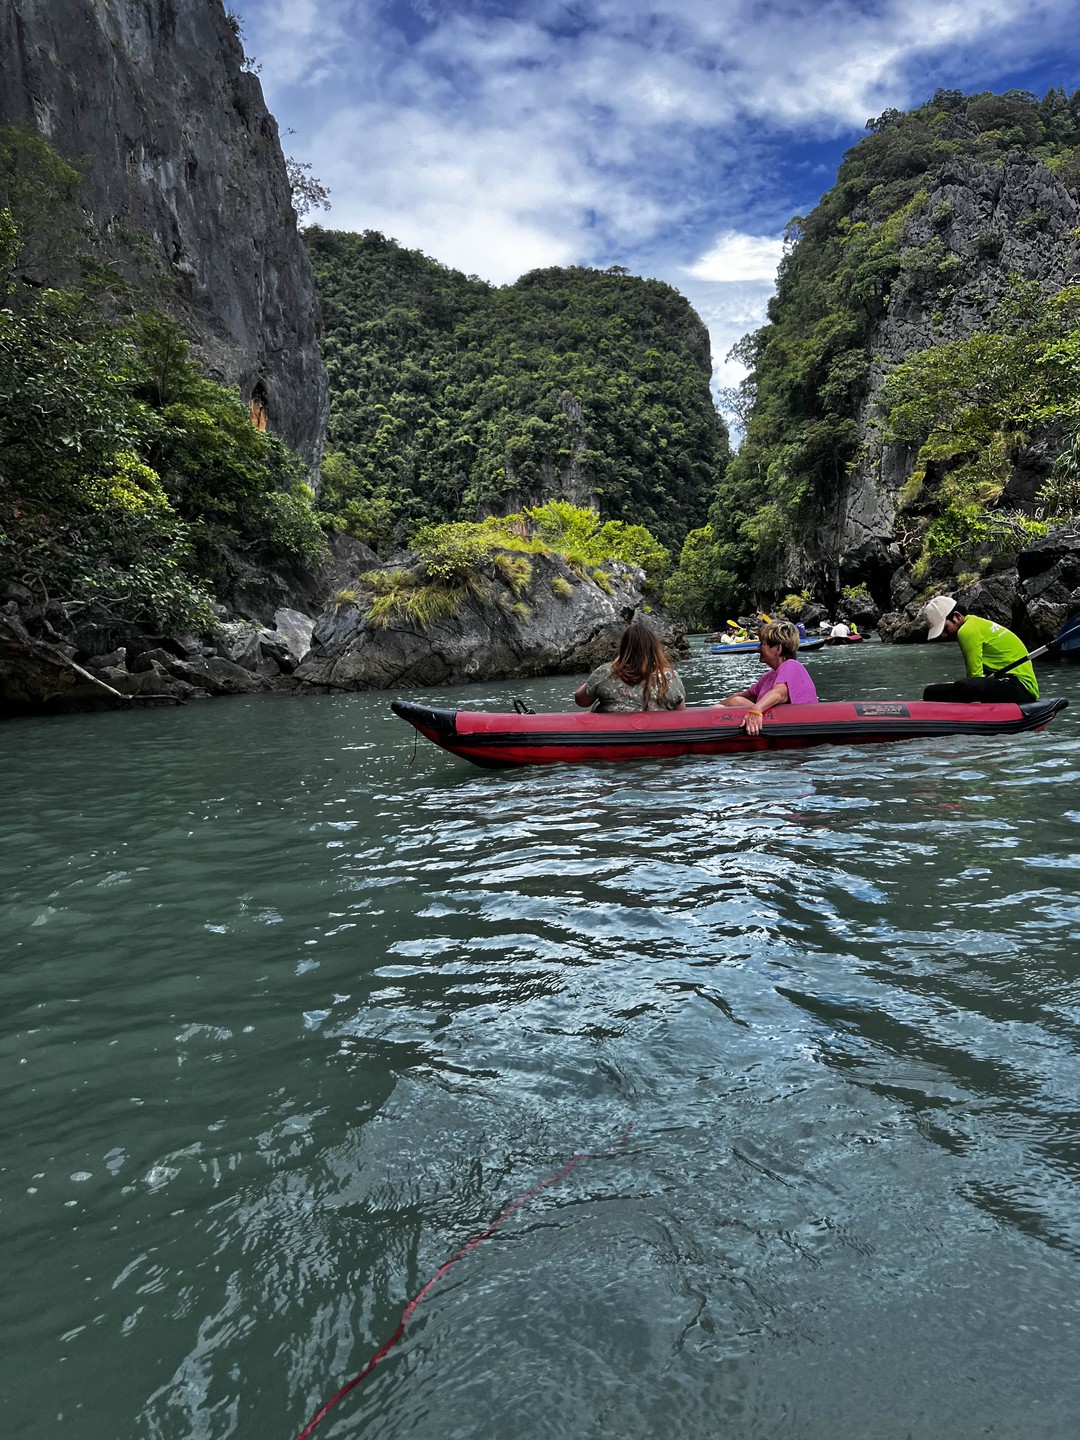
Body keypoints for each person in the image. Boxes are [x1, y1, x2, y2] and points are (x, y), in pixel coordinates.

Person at [922, 595, 1039, 702]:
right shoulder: (976, 623)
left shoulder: (967, 631)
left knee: (964, 686)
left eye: (945, 628)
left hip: (1019, 687)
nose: (944, 635)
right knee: (931, 692)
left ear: (957, 617)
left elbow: (975, 676)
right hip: (1009, 684)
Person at [721, 619, 818, 736]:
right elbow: (743, 695)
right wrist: (717, 706)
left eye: (762, 644)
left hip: (799, 730)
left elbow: (780, 694)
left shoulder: (791, 665)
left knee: (736, 702)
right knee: (735, 701)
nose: (757, 649)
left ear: (778, 649)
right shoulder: (768, 677)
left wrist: (756, 711)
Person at [575, 614, 686, 713]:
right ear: (654, 649)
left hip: (613, 734)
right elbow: (681, 714)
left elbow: (581, 701)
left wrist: (596, 678)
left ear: (624, 648)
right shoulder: (670, 677)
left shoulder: (606, 672)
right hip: (657, 735)